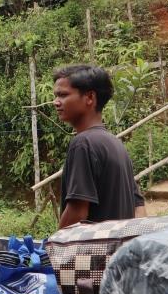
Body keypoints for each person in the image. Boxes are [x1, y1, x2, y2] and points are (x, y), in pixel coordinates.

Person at [53, 64, 147, 229]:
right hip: (117, 252)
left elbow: (77, 213)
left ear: (89, 97)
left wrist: (53, 246)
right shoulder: (116, 144)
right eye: (56, 96)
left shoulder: (83, 144)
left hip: (91, 253)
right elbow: (139, 208)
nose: (56, 102)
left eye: (63, 95)